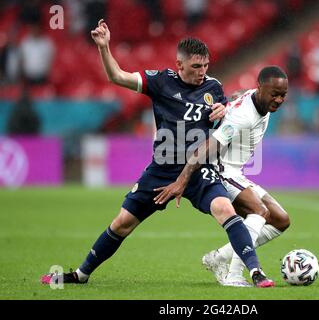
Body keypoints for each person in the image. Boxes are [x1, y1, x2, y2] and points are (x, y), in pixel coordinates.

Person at [41, 20, 274, 288]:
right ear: (180, 65)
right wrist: (104, 47)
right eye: (196, 66)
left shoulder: (213, 88)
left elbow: (222, 126)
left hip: (198, 170)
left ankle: (256, 272)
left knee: (224, 208)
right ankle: (81, 274)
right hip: (162, 170)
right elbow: (116, 76)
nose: (203, 72)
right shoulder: (160, 81)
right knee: (122, 224)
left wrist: (221, 114)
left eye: (206, 65)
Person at [154, 66, 290, 287]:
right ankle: (235, 276)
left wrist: (230, 102)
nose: (279, 99)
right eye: (274, 93)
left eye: (283, 95)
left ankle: (219, 258)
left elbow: (240, 96)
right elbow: (209, 146)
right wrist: (183, 178)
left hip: (237, 173)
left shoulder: (255, 100)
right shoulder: (242, 118)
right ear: (260, 88)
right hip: (221, 171)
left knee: (281, 220)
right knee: (259, 211)